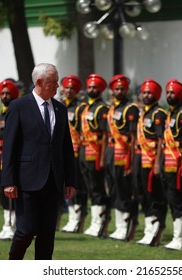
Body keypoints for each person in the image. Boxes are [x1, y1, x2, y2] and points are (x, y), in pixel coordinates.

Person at [1, 63, 76, 260]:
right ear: (39, 82)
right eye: (54, 82)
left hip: (53, 182)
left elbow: (66, 148)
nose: (58, 86)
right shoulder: (18, 106)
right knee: (26, 230)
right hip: (27, 181)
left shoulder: (60, 109)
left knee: (47, 235)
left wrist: (70, 180)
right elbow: (9, 146)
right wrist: (8, 181)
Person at [162, 79, 182, 250]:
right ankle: (177, 236)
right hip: (167, 163)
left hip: (178, 164)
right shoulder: (171, 113)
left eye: (172, 92)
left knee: (179, 199)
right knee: (172, 199)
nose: (169, 95)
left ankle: (180, 238)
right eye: (168, 92)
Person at [106, 74, 140, 241]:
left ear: (126, 90)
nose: (119, 91)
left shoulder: (130, 108)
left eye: (122, 89)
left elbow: (134, 138)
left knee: (124, 190)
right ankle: (119, 226)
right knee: (114, 190)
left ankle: (127, 225)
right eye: (116, 88)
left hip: (124, 154)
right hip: (112, 154)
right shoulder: (112, 108)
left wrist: (131, 162)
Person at [136, 78, 167, 246]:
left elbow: (162, 140)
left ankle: (157, 228)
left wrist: (157, 163)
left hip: (154, 162)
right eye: (144, 92)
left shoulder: (158, 114)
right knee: (144, 195)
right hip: (143, 160)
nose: (146, 95)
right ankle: (149, 230)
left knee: (155, 195)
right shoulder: (145, 113)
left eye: (149, 93)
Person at [79, 73, 110, 238]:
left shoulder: (102, 108)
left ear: (99, 90)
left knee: (97, 188)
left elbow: (105, 134)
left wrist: (103, 156)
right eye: (89, 86)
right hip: (85, 151)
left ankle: (100, 223)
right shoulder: (86, 108)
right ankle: (94, 221)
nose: (91, 89)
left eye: (94, 87)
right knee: (90, 188)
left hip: (97, 153)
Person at [0, 79, 19, 240]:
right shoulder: (2, 113)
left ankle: (13, 226)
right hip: (0, 154)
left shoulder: (16, 111)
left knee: (11, 190)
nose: (5, 95)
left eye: (8, 92)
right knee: (2, 190)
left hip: (11, 156)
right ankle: (6, 225)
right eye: (2, 93)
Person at [60, 74, 88, 233]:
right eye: (67, 87)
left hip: (77, 152)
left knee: (78, 186)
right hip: (62, 153)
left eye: (72, 88)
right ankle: (71, 219)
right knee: (66, 186)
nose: (69, 90)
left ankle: (79, 219)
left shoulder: (80, 108)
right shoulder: (60, 105)